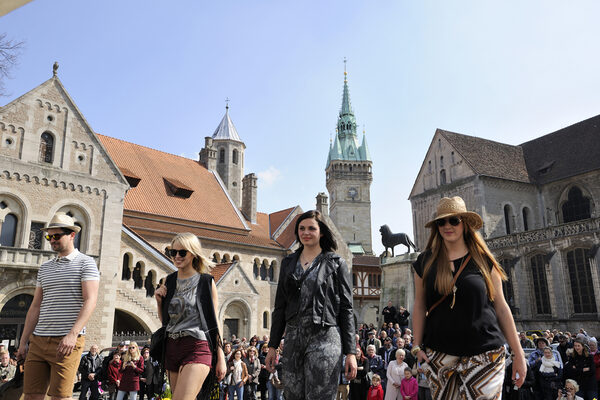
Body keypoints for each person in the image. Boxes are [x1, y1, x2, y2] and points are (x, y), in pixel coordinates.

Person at [411, 196, 526, 399]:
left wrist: (518, 353)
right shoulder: (425, 262)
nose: (448, 226)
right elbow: (419, 305)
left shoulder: (483, 260)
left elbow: (501, 306)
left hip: (486, 353)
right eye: (442, 222)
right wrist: (416, 346)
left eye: (454, 220)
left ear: (464, 223)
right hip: (440, 354)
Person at [265, 210, 357, 399]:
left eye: (311, 228)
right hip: (293, 338)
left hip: (324, 337)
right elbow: (280, 307)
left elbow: (347, 309)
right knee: (292, 395)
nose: (306, 232)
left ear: (321, 232)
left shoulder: (336, 263)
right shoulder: (288, 262)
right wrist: (273, 346)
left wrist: (351, 352)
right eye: (301, 228)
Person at [16, 213, 99, 400]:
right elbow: (35, 306)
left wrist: (73, 334)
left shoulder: (86, 263)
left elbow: (90, 301)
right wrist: (23, 342)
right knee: (30, 395)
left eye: (56, 236)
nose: (51, 240)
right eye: (49, 237)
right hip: (38, 339)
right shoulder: (45, 267)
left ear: (72, 235)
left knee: (60, 397)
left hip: (66, 342)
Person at [154, 232, 227, 399]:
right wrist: (159, 301)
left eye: (182, 252)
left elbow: (214, 321)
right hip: (172, 346)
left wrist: (221, 356)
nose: (177, 256)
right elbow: (166, 321)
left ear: (193, 253)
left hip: (197, 345)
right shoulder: (168, 281)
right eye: (173, 252)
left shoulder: (206, 282)